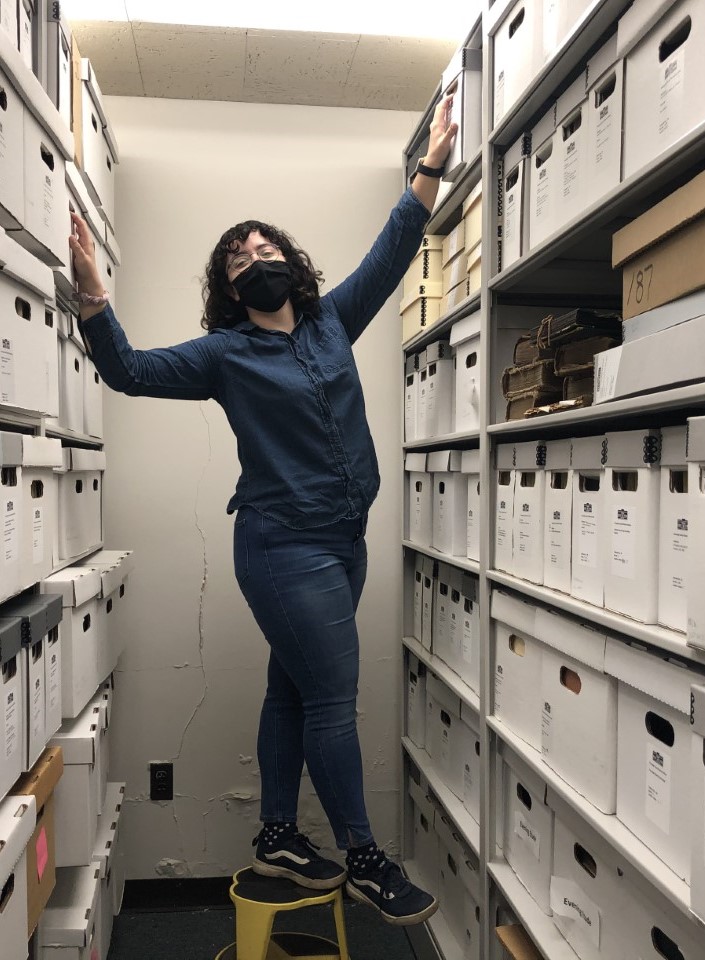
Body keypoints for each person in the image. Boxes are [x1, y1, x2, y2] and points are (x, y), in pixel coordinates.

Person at [70, 95, 458, 926]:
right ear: (227, 282)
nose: (255, 256)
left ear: (291, 260)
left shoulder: (329, 326)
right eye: (239, 255)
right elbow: (131, 371)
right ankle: (364, 859)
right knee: (330, 701)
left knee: (293, 691)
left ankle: (278, 832)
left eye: (265, 244)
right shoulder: (223, 354)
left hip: (343, 543)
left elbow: (392, 251)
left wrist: (430, 162)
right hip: (284, 549)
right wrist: (96, 303)